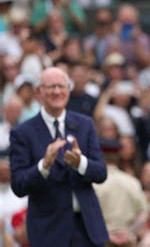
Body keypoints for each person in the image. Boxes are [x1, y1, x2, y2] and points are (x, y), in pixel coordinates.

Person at [9, 67, 109, 246]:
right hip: (49, 231)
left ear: (68, 90)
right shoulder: (22, 133)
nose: (57, 91)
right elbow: (18, 185)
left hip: (87, 228)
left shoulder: (85, 124)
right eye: (51, 87)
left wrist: (81, 163)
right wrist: (44, 165)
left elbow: (101, 173)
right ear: (39, 92)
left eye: (61, 86)